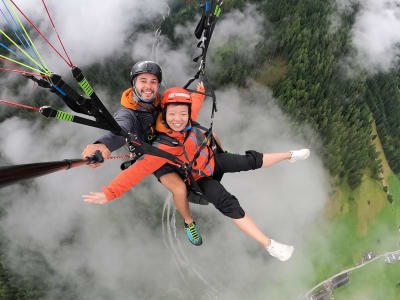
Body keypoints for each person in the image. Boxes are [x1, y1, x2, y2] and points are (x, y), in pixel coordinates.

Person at [82, 86, 310, 261]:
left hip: (211, 161)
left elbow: (194, 103)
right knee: (227, 203)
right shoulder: (161, 147)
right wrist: (110, 192)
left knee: (250, 160)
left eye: (183, 114)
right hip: (198, 177)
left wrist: (199, 89)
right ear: (165, 115)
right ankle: (269, 245)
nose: (178, 119)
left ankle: (290, 155)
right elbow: (137, 172)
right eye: (172, 114)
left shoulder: (188, 119)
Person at [81, 61, 203, 246]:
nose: (148, 86)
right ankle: (189, 222)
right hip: (154, 157)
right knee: (179, 189)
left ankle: (222, 155)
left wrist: (198, 96)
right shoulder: (128, 113)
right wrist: (102, 146)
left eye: (153, 82)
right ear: (134, 84)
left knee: (206, 135)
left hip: (171, 146)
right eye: (143, 81)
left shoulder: (161, 102)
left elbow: (185, 109)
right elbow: (119, 130)